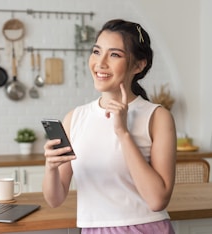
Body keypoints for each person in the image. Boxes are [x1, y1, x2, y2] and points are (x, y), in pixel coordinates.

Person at [42, 19, 177, 233]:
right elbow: (55, 199)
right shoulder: (74, 118)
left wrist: (123, 133)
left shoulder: (157, 117)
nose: (100, 63)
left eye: (114, 54)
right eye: (96, 51)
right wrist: (50, 168)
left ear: (139, 65)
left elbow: (157, 200)